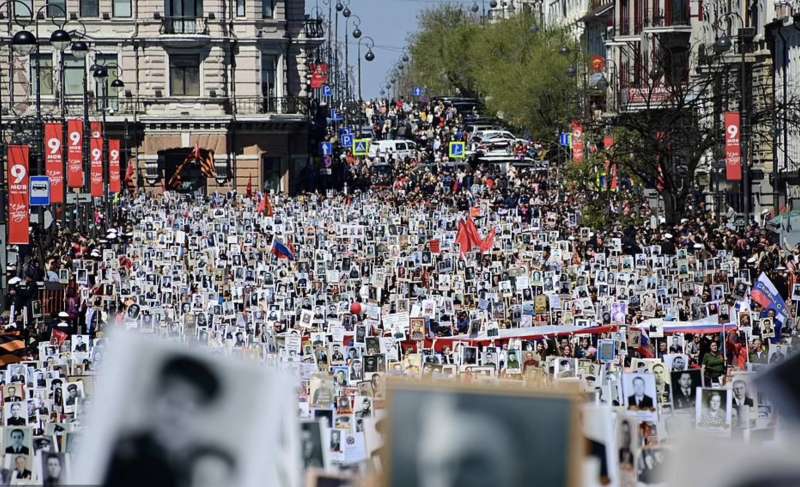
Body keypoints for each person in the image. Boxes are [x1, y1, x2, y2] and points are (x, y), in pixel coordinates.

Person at [102, 354, 223, 487]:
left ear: (204, 413)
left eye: (190, 405)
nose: (176, 413)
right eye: (170, 399)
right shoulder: (117, 451)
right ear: (151, 396)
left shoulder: (213, 467)